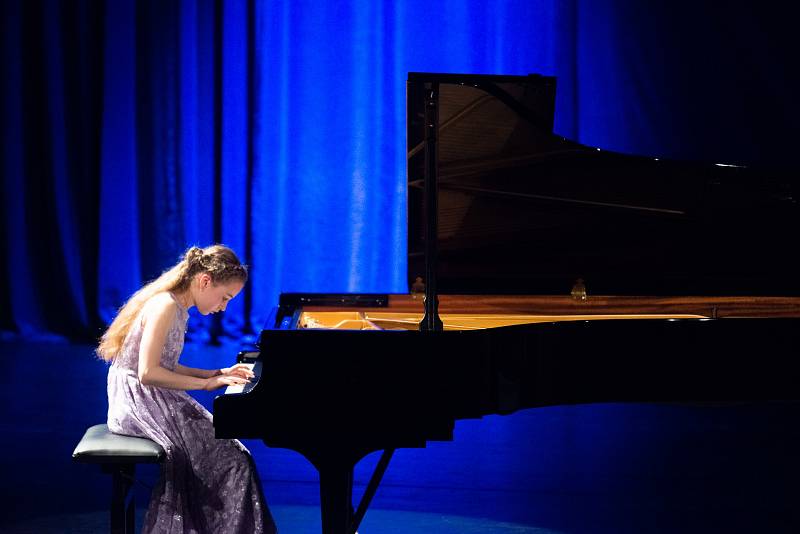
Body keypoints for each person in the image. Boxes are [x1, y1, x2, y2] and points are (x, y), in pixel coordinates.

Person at [97, 244, 277, 534]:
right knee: (233, 460)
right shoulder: (165, 305)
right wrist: (206, 384)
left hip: (149, 396)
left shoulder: (176, 306)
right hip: (136, 401)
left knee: (232, 454)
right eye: (225, 297)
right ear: (205, 281)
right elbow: (147, 372)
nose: (224, 307)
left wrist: (215, 372)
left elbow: (167, 363)